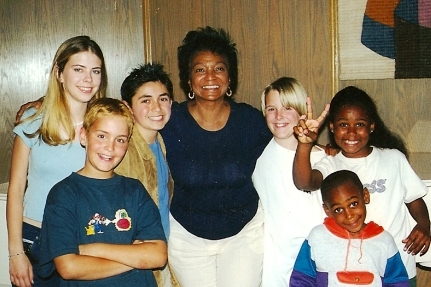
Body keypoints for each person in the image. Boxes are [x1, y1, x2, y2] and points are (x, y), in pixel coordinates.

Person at [160, 26, 272, 286]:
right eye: (200, 69)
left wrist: (322, 150)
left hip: (243, 235)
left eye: (219, 68)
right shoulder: (170, 120)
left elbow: (283, 151)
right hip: (187, 239)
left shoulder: (250, 120)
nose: (210, 76)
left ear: (230, 77)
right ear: (188, 80)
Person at [293, 86, 430, 286]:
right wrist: (304, 144)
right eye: (342, 124)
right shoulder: (331, 163)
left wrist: (425, 225)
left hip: (395, 270)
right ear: (331, 127)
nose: (351, 132)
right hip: (348, 271)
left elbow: (415, 200)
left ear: (372, 126)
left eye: (359, 124)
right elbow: (304, 182)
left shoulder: (393, 159)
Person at [7, 35, 107, 287]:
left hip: (87, 239)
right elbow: (16, 190)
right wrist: (16, 253)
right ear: (59, 73)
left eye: (95, 71)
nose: (88, 79)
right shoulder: (32, 120)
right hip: (37, 237)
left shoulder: (105, 124)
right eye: (78, 69)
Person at [38, 97, 167, 286]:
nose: (110, 147)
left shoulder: (135, 190)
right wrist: (135, 258)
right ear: (83, 135)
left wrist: (93, 249)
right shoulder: (63, 194)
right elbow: (69, 268)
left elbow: (157, 256)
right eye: (101, 136)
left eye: (120, 140)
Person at [252, 77, 329, 286]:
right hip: (278, 266)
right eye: (271, 109)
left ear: (301, 110)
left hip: (318, 261)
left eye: (287, 108)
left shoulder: (322, 159)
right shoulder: (259, 158)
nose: (278, 116)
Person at [115, 63, 179, 287]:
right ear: (127, 107)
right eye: (145, 100)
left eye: (163, 98)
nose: (157, 107)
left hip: (160, 252)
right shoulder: (123, 150)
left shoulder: (160, 141)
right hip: (134, 259)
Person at [290, 170, 410, 287]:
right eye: (338, 209)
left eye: (353, 204)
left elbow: (397, 281)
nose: (349, 215)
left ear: (365, 196)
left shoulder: (385, 240)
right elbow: (302, 279)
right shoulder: (317, 236)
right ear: (328, 211)